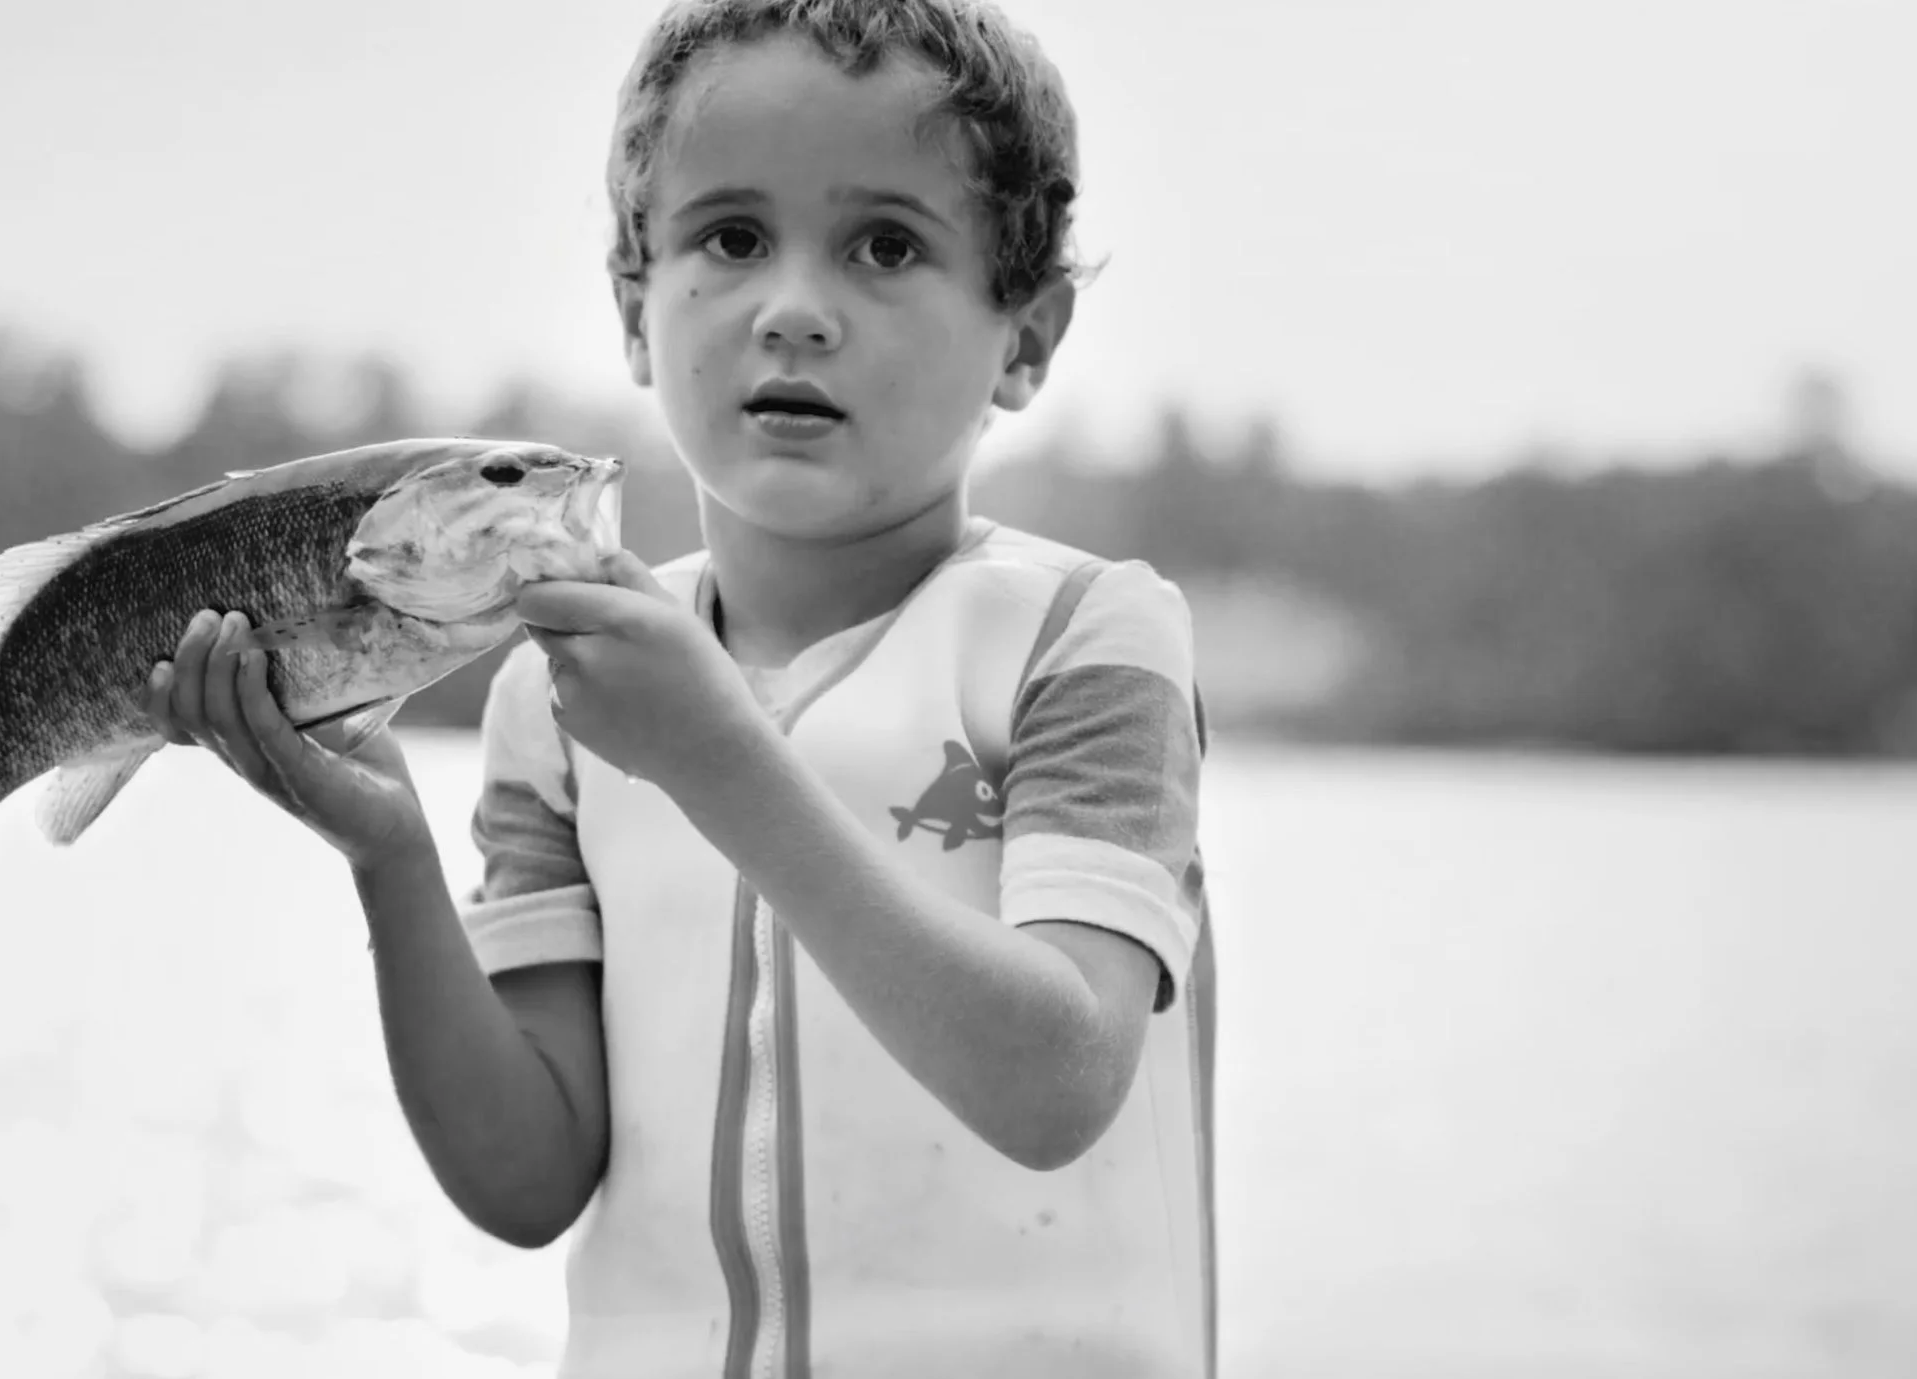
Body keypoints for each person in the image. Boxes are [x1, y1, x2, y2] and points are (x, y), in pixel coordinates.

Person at [142, 1, 1216, 1373]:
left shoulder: (1085, 635)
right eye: (730, 237)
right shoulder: (556, 697)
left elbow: (1058, 1079)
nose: (793, 309)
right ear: (633, 309)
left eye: (887, 245)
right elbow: (527, 1176)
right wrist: (389, 856)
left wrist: (717, 754)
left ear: (1028, 336)